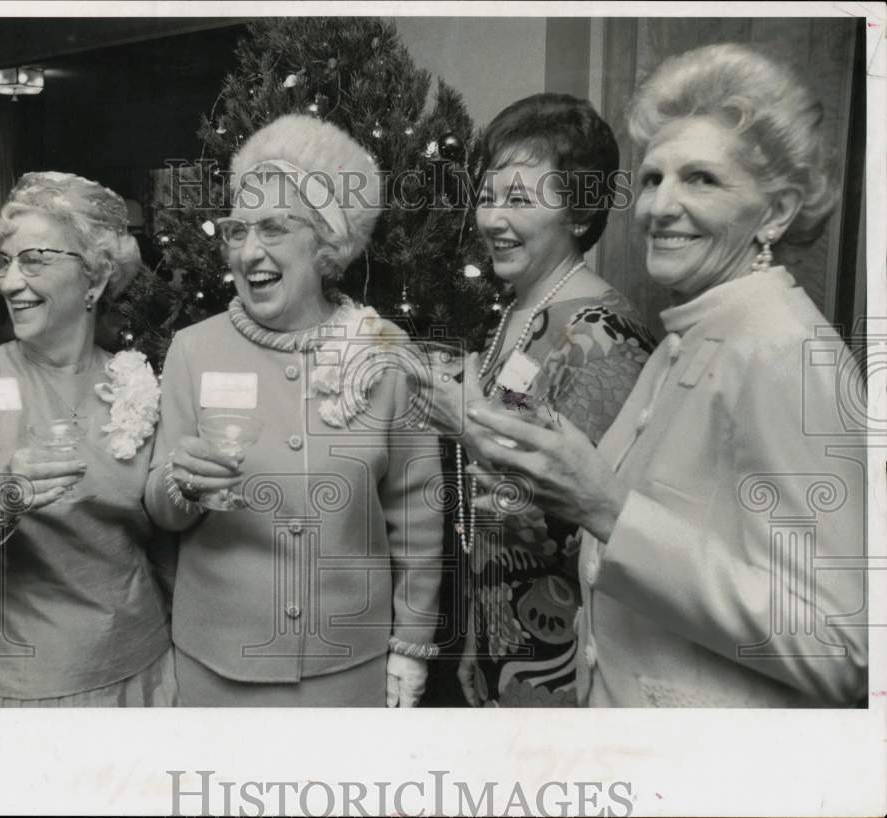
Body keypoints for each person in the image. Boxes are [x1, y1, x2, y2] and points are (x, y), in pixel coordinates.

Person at [465, 43, 867, 707]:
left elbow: (844, 648)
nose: (660, 206)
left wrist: (606, 507)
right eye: (653, 179)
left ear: (777, 211)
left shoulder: (783, 353)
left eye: (701, 179)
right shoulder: (689, 338)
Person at [143, 114, 443, 707]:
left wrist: (411, 644)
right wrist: (179, 483)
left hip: (347, 673)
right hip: (217, 670)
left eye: (275, 227)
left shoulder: (384, 352)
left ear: (327, 242)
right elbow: (157, 506)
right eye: (237, 230)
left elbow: (418, 515)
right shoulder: (193, 350)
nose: (250, 249)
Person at [0, 171, 175, 707]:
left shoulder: (140, 385)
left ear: (93, 279)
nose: (8, 282)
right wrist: (5, 493)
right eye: (4, 262)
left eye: (34, 260)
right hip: (19, 689)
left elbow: (168, 543)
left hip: (145, 676)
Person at [421, 93, 655, 707]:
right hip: (502, 639)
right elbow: (491, 519)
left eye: (519, 199)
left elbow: (561, 527)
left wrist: (463, 423)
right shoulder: (519, 312)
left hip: (570, 659)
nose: (492, 218)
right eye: (490, 195)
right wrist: (478, 631)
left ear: (578, 213)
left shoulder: (605, 337)